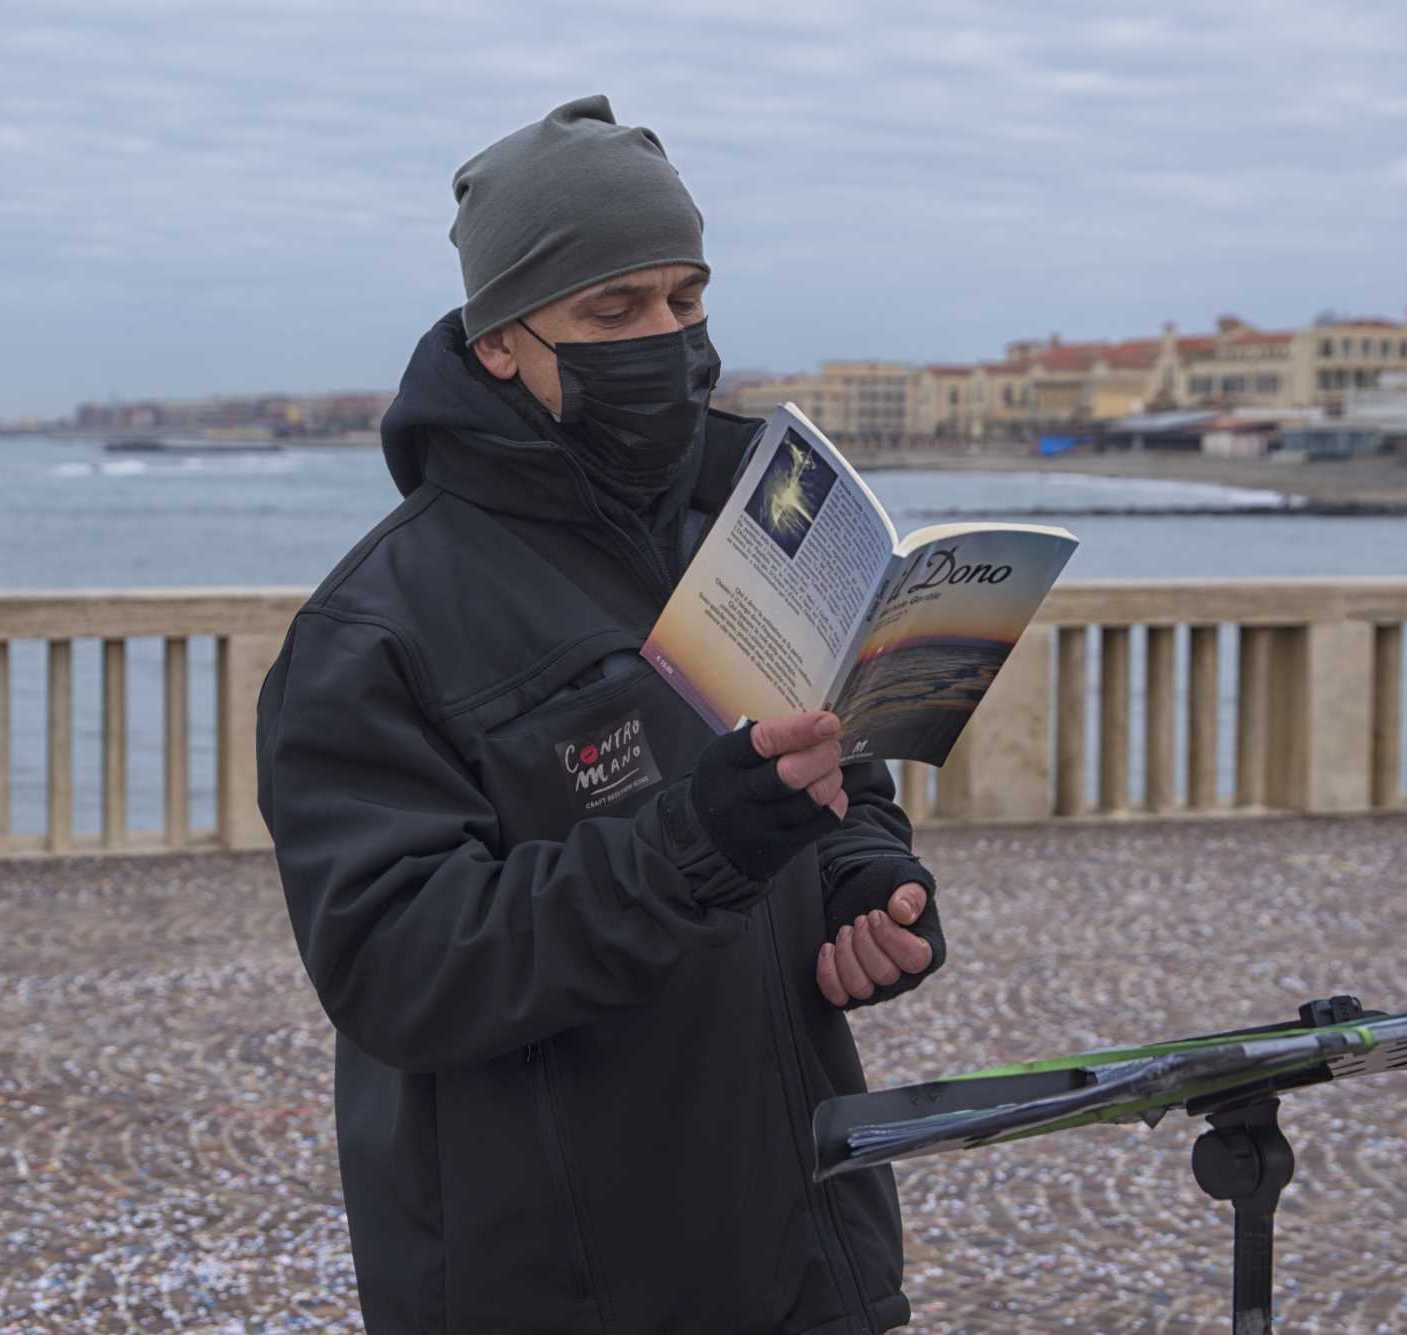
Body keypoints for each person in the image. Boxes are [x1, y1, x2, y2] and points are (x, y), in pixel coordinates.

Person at [255, 94, 947, 1334]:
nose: (667, 337)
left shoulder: (743, 521)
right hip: (560, 1280)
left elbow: (834, 766)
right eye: (614, 310)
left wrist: (863, 874)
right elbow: (398, 966)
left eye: (686, 298)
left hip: (805, 1232)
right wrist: (699, 848)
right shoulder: (376, 628)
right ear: (500, 345)